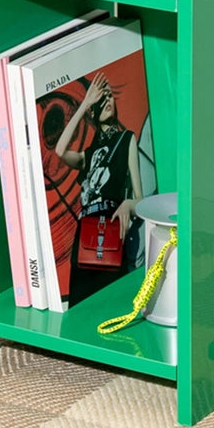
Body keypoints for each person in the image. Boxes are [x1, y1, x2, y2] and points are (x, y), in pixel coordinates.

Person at [54, 70, 143, 304]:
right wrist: (85, 103)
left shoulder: (126, 140)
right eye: (100, 99)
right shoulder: (87, 154)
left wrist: (127, 204)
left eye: (109, 96)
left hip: (112, 226)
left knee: (109, 299)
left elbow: (142, 201)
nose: (107, 102)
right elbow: (60, 150)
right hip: (85, 230)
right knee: (80, 300)